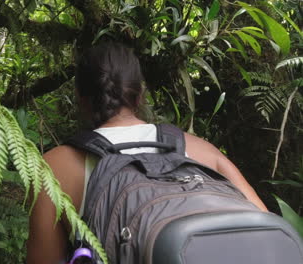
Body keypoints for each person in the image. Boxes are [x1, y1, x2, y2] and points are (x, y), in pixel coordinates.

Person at [26, 42, 268, 264]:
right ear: (140, 94)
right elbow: (265, 225)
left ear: (80, 98)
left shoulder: (56, 166)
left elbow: (43, 259)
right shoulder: (202, 150)